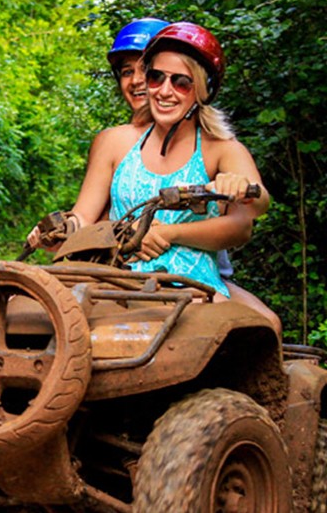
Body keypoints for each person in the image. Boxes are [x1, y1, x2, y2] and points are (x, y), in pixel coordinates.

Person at [28, 22, 281, 334]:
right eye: (156, 77)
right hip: (117, 273)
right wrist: (59, 230)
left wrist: (169, 232)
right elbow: (83, 214)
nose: (164, 90)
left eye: (181, 83)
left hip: (194, 282)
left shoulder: (222, 149)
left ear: (201, 89)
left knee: (260, 331)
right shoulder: (114, 141)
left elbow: (247, 220)